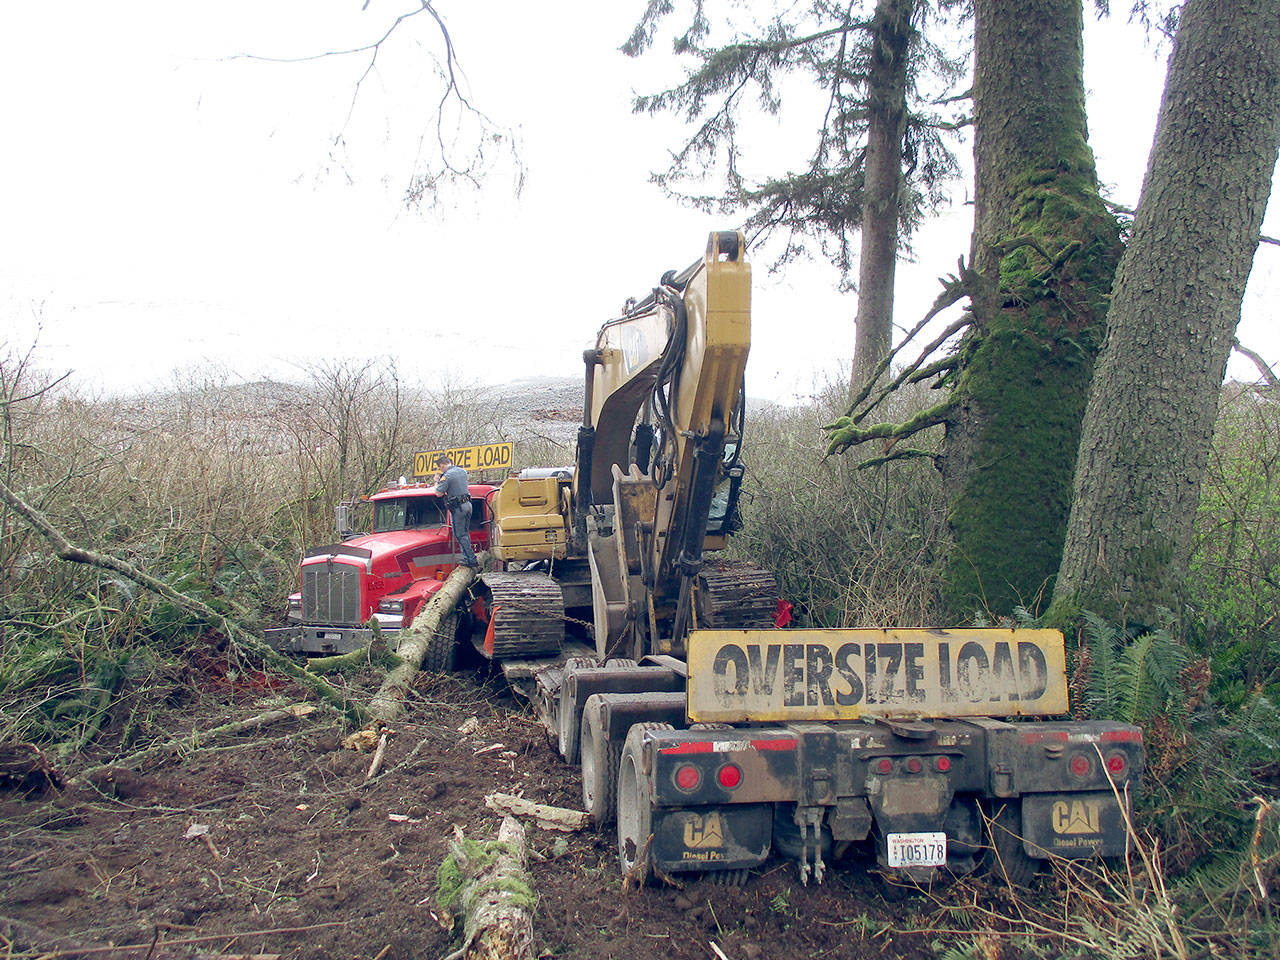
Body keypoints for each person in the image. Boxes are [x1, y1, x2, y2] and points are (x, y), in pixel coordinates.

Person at [435, 454, 479, 568]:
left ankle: (470, 559)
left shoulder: (447, 476)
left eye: (440, 468)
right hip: (468, 505)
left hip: (458, 508)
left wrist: (437, 481)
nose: (441, 470)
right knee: (465, 532)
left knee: (459, 534)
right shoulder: (462, 471)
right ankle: (470, 557)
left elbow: (438, 493)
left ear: (442, 465)